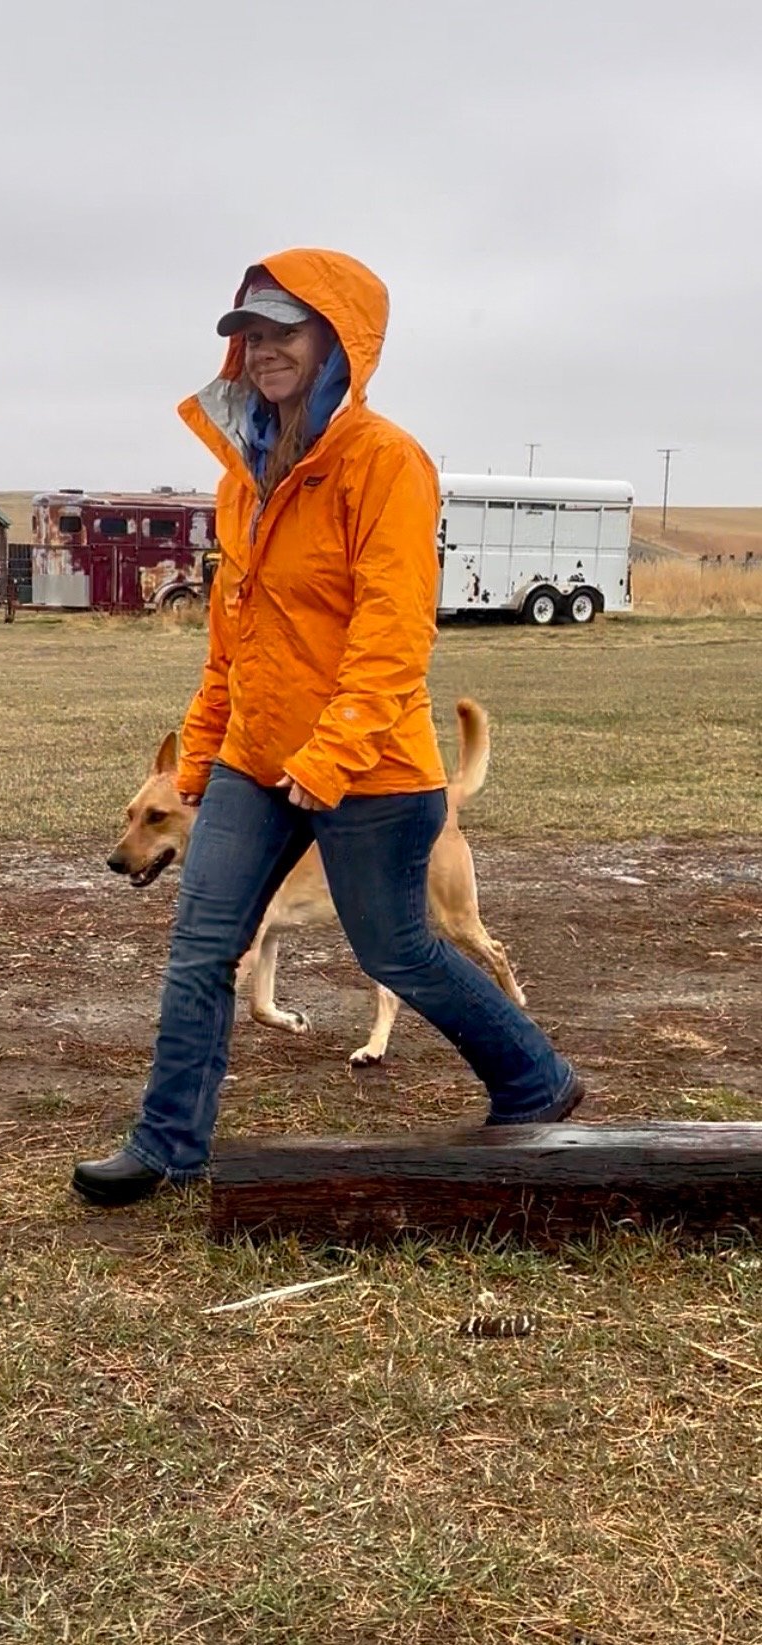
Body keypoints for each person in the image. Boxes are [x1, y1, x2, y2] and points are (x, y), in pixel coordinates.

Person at [73, 248, 584, 1208]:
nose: (263, 350)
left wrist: (335, 748)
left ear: (335, 342)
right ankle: (168, 1143)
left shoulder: (385, 462)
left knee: (398, 950)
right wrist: (204, 749)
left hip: (374, 769)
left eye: (283, 331)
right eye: (249, 335)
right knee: (200, 945)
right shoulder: (245, 476)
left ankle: (535, 1078)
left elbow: (394, 627)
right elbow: (238, 634)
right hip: (255, 765)